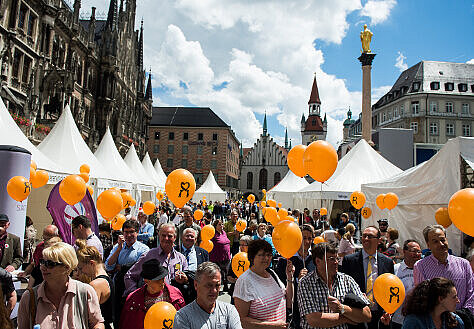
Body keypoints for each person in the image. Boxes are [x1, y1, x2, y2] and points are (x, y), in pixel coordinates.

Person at [17, 242, 104, 329]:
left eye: (50, 264)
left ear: (67, 267)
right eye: (42, 262)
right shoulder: (30, 297)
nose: (43, 267)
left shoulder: (85, 292)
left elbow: (97, 323)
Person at [298, 242, 371, 329]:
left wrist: (342, 308)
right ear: (318, 261)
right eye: (331, 259)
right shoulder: (305, 283)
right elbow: (313, 319)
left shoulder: (347, 280)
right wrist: (346, 318)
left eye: (337, 258)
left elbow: (367, 315)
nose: (336, 262)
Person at [341, 225, 394, 329]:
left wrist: (388, 312)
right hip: (358, 315)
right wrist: (358, 298)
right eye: (364, 236)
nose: (365, 239)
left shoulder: (387, 263)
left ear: (379, 240)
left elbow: (390, 290)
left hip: (380, 317)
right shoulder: (349, 261)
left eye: (370, 236)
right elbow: (344, 288)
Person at [233, 239, 294, 328]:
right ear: (252, 257)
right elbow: (241, 320)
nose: (266, 258)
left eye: (269, 255)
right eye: (261, 255)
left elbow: (288, 301)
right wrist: (271, 326)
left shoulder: (272, 274)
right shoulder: (244, 281)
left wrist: (289, 277)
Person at [414, 225, 474, 313]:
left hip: (463, 321)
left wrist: (462, 316)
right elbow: (422, 299)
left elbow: (471, 294)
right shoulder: (420, 266)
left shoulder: (464, 264)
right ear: (428, 245)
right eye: (435, 241)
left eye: (443, 240)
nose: (441, 244)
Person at [105, 219, 149, 326]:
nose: (129, 235)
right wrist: (119, 249)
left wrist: (122, 267)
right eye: (126, 232)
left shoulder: (143, 250)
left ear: (137, 232)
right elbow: (109, 266)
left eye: (132, 232)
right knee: (118, 318)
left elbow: (138, 269)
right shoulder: (117, 247)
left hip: (134, 289)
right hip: (118, 289)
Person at [124, 223, 189, 295]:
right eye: (163, 235)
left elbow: (187, 280)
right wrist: (137, 295)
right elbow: (129, 276)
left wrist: (185, 280)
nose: (166, 239)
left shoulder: (181, 258)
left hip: (174, 301)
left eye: (170, 236)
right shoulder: (149, 255)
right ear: (159, 236)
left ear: (175, 237)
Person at [174, 262, 242, 329]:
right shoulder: (183, 317)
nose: (214, 290)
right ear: (196, 285)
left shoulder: (229, 311)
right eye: (209, 285)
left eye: (217, 285)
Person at [120, 260, 185, 329]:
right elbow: (128, 324)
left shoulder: (175, 294)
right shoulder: (133, 300)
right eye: (157, 280)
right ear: (146, 281)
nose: (162, 282)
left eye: (163, 278)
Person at [276, 224, 316, 329]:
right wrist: (296, 279)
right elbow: (280, 286)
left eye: (310, 238)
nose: (307, 242)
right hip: (294, 309)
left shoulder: (316, 259)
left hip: (313, 308)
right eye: (304, 238)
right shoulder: (286, 260)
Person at [380, 239, 422, 329]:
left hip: (419, 319)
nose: (417, 254)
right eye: (414, 251)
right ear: (404, 251)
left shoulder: (424, 270)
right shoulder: (394, 269)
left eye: (419, 251)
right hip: (398, 320)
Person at [76, 240, 113, 329]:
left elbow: (88, 314)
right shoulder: (106, 278)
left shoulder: (95, 284)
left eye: (81, 268)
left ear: (91, 263)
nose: (80, 272)